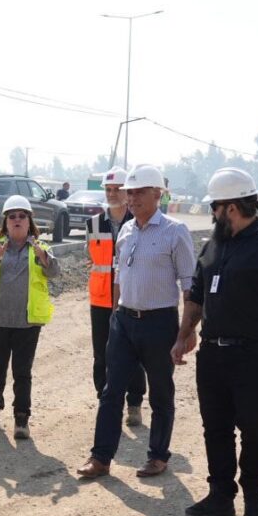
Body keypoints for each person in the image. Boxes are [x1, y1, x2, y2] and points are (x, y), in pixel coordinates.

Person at [172, 167, 258, 516]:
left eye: (215, 208)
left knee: (256, 428)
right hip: (212, 355)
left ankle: (254, 494)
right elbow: (196, 298)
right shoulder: (213, 247)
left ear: (230, 208)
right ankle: (220, 496)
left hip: (253, 357)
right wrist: (184, 335)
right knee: (215, 427)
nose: (212, 215)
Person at [77, 164, 197, 479]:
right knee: (111, 391)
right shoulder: (127, 231)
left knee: (160, 392)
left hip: (159, 323)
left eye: (140, 191)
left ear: (158, 193)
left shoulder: (175, 231)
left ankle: (158, 456)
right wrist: (117, 311)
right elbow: (120, 274)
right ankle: (101, 458)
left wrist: (186, 332)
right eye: (130, 192)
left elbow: (189, 286)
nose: (132, 198)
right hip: (124, 321)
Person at [0, 195, 59, 439]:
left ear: (30, 221)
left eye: (22, 216)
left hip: (27, 322)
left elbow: (55, 272)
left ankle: (22, 419)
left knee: (22, 371)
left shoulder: (41, 249)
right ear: (6, 222)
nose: (17, 220)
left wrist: (44, 258)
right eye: (13, 217)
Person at [86, 167, 147, 425]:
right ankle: (105, 398)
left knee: (132, 353)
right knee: (102, 352)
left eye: (117, 189)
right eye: (108, 189)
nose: (112, 194)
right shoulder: (93, 224)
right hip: (100, 299)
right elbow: (92, 259)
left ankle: (134, 403)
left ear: (127, 192)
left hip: (129, 298)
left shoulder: (138, 223)